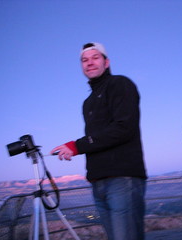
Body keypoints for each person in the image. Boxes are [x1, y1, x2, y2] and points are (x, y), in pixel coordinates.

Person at [51, 42, 147, 240]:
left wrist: (77, 146)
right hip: (98, 181)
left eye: (95, 57)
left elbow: (124, 128)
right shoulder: (88, 102)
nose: (90, 63)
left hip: (123, 178)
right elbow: (99, 138)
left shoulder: (120, 84)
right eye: (85, 60)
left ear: (107, 62)